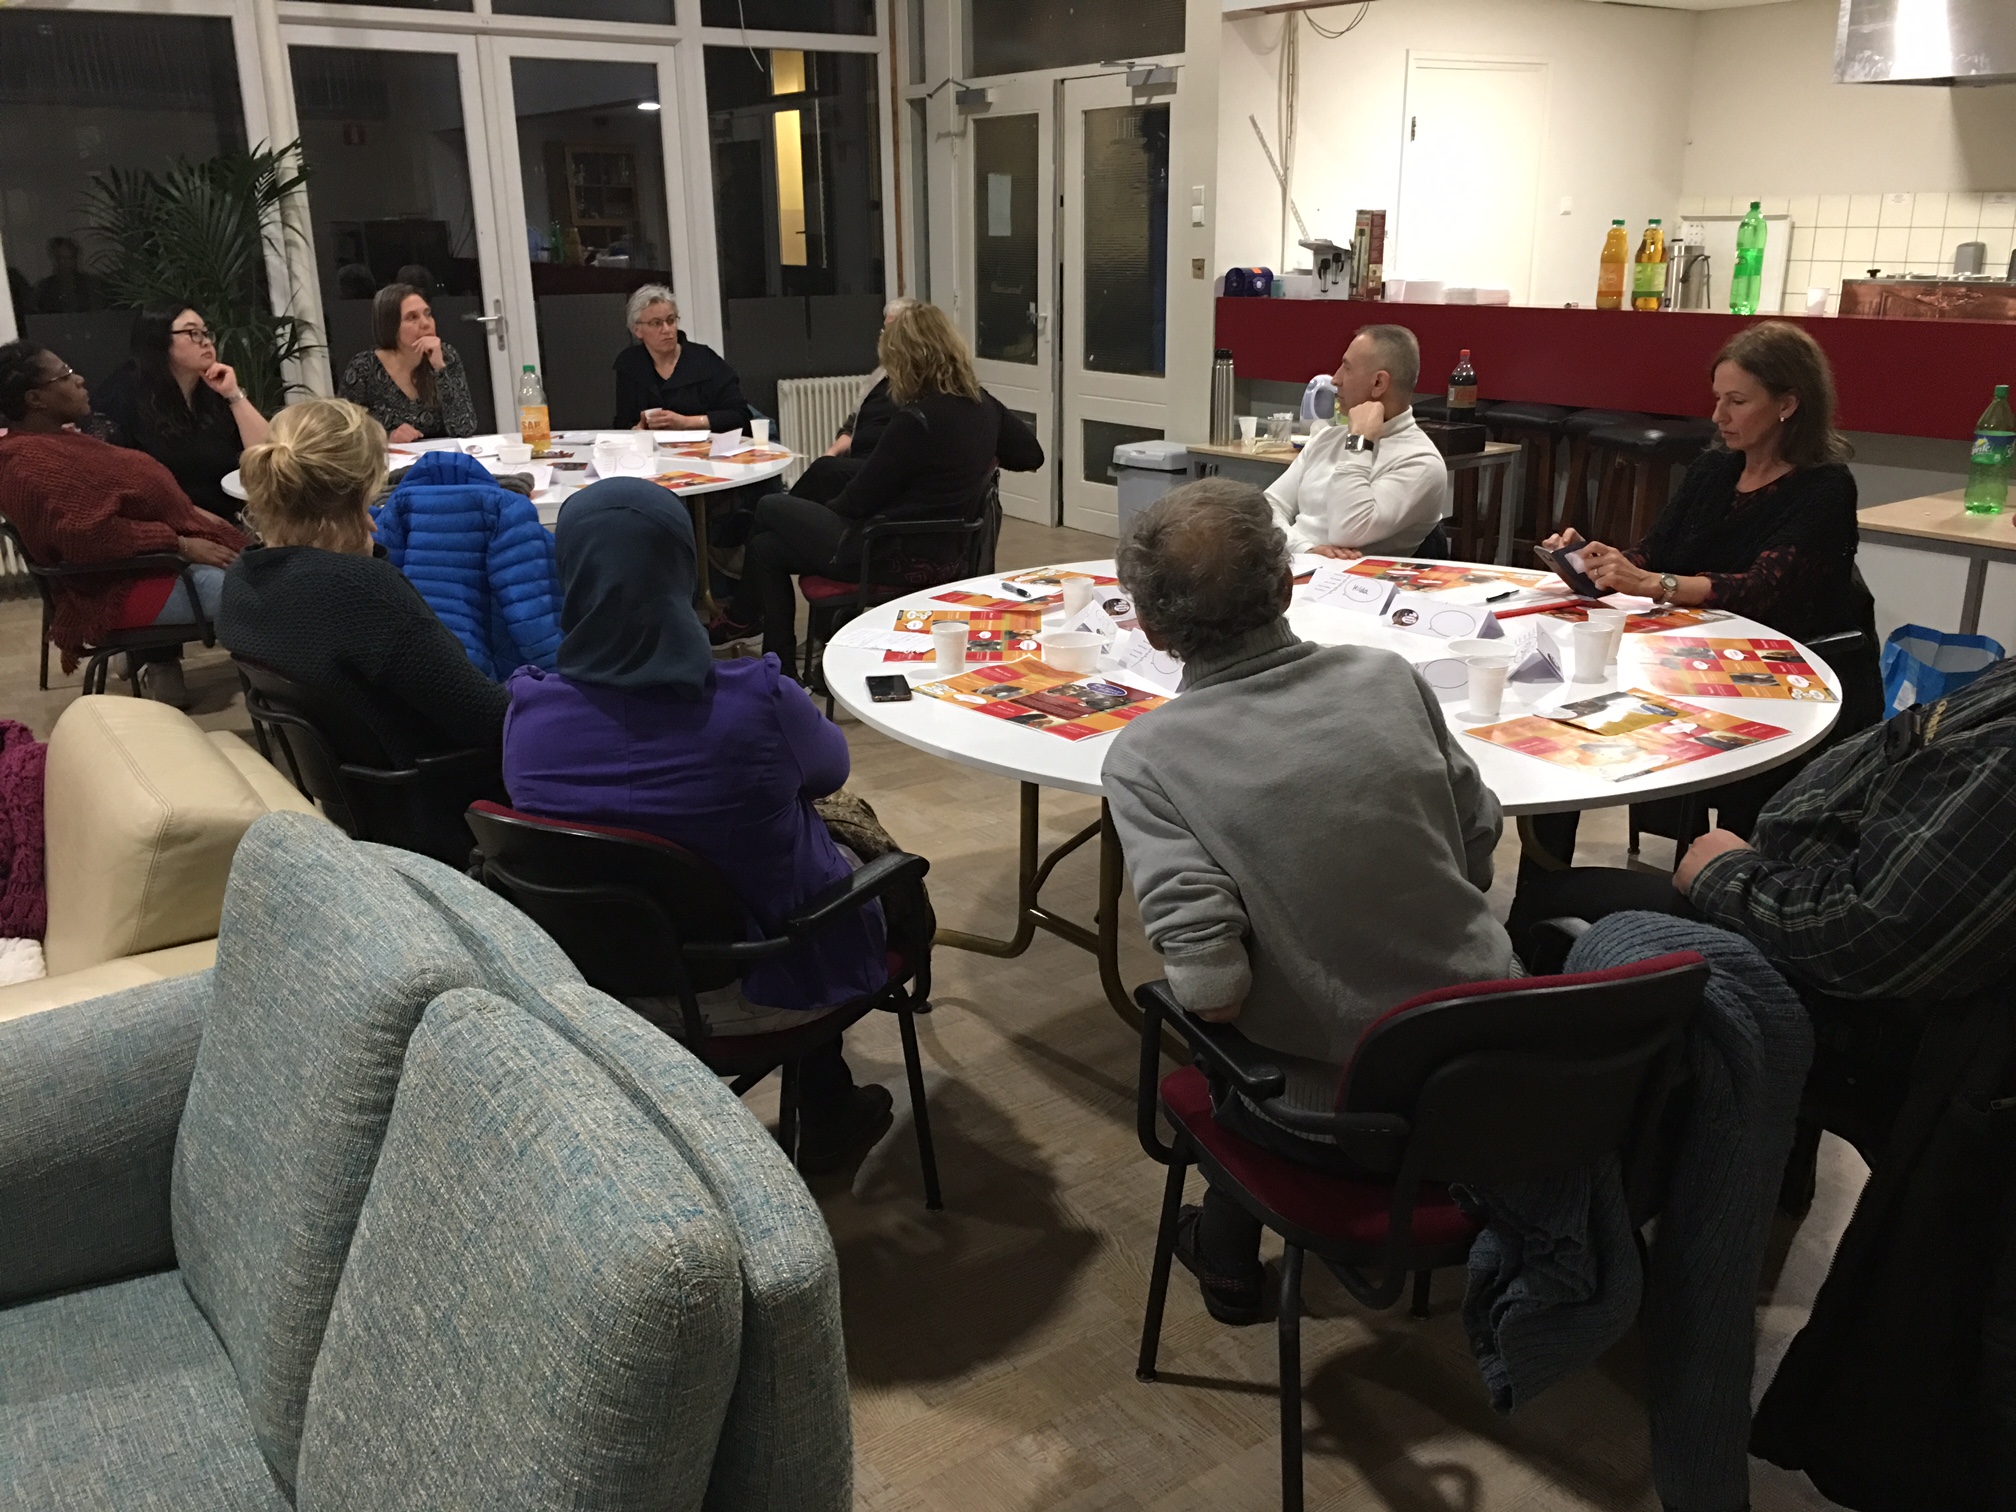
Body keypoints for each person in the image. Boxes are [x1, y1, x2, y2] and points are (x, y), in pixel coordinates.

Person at [1505, 656, 2016, 1508]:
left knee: (1562, 907)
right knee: (1581, 904)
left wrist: (1723, 876)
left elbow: (1870, 938)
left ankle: (1577, 1219)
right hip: (1833, 929)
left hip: (1862, 1002)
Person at [1103, 477, 1515, 1324]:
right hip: (1494, 1070)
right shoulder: (1389, 677)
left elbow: (1214, 992)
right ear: (1289, 587)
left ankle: (1227, 1263)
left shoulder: (1148, 755)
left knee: (1229, 1057)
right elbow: (1476, 848)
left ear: (1149, 627)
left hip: (1342, 1123)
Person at [501, 477, 898, 1172]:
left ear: (570, 576)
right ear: (684, 570)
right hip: (769, 981)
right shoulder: (760, 701)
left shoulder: (527, 719)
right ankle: (827, 1108)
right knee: (848, 857)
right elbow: (831, 771)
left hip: (605, 990)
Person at [1524, 321, 1880, 869]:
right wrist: (1598, 562)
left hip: (1787, 678)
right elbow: (1656, 551)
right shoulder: (1716, 467)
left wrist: (1654, 584)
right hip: (1696, 658)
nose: (1718, 416)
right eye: (1717, 399)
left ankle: (1714, 884)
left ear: (1788, 404)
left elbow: (1761, 590)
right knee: (1565, 722)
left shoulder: (1825, 487)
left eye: (1737, 401)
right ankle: (1542, 891)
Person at [713, 302, 1044, 669]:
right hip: (950, 551)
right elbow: (1031, 455)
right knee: (766, 547)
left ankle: (774, 663)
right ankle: (780, 667)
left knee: (771, 507)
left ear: (904, 360)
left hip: (892, 552)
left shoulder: (915, 420)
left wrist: (813, 520)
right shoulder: (983, 405)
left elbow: (856, 503)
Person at [219, 397, 508, 771]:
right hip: (441, 790)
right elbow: (491, 719)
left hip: (346, 788)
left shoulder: (240, 580)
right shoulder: (364, 593)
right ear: (362, 490)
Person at [0, 340, 244, 705]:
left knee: (268, 572)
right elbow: (88, 537)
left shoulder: (55, 440)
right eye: (65, 375)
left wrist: (187, 515)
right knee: (259, 593)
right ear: (36, 399)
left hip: (147, 569)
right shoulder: (28, 464)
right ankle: (289, 698)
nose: (80, 380)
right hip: (116, 589)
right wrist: (180, 542)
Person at [372, 449, 563, 679]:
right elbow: (530, 614)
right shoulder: (507, 509)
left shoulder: (386, 516)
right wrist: (559, 675)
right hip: (490, 677)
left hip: (411, 670)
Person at [1265, 324, 1450, 557]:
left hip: (1356, 577)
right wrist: (1302, 547)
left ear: (1378, 383)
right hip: (1295, 565)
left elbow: (1347, 530)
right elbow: (1268, 507)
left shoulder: (1421, 462)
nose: (1335, 379)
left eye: (1347, 368)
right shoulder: (1327, 438)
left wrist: (1359, 441)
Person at [94, 305, 271, 524]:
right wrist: (199, 520)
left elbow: (269, 457)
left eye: (206, 332)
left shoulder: (212, 389)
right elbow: (118, 486)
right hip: (170, 527)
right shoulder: (119, 397)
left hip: (234, 519)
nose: (206, 342)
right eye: (193, 333)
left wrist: (233, 394)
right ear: (159, 341)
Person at [791, 297, 916, 507]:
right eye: (884, 330)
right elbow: (852, 425)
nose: (883, 338)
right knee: (823, 469)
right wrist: (833, 452)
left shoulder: (913, 383)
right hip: (858, 463)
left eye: (891, 331)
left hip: (880, 474)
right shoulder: (879, 376)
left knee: (821, 474)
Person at [337, 283, 478, 442]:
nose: (426, 323)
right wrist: (387, 438)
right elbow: (344, 432)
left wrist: (440, 369)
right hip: (388, 454)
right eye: (412, 317)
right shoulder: (363, 367)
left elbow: (464, 429)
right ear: (391, 326)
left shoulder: (446, 356)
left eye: (428, 314)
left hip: (439, 453)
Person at [612, 287, 749, 433]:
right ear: (637, 330)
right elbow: (622, 423)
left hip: (706, 445)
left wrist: (687, 423)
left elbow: (740, 416)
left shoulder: (704, 359)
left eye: (671, 321)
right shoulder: (630, 364)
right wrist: (637, 429)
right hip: (651, 445)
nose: (667, 329)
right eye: (656, 323)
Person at [32, 237, 99, 314]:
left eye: (71, 257)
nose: (67, 262)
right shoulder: (44, 287)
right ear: (55, 259)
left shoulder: (90, 284)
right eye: (62, 258)